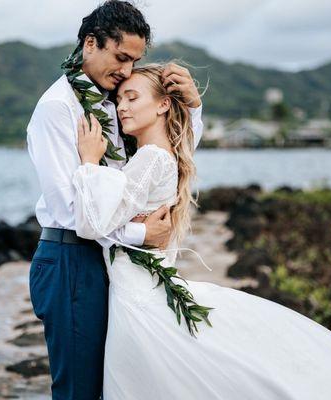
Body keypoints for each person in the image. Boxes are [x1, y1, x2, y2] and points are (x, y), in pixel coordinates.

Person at [73, 64, 331, 399]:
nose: (121, 106)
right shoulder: (158, 155)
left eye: (132, 97)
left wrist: (88, 161)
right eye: (118, 99)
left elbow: (92, 224)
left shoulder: (151, 159)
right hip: (141, 287)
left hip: (137, 294)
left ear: (163, 105)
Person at [26, 1, 204, 398]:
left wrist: (192, 106)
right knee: (79, 389)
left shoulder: (115, 102)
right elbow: (70, 211)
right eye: (121, 57)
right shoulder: (58, 109)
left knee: (115, 384)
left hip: (112, 261)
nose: (126, 71)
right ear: (90, 44)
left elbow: (164, 152)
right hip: (72, 259)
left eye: (134, 61)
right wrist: (141, 233)